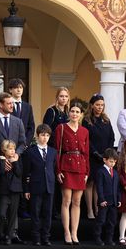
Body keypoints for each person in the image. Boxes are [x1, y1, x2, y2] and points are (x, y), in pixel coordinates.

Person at [0, 92, 26, 245]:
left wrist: (16, 155)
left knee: (13, 204)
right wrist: (0, 158)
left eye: (13, 103)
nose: (12, 105)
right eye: (9, 103)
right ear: (0, 104)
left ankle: (12, 234)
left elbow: (23, 142)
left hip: (15, 168)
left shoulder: (18, 122)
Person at [54, 100, 89, 245]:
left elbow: (86, 153)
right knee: (66, 200)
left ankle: (75, 232)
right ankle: (66, 232)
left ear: (81, 115)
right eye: (72, 111)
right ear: (69, 113)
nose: (74, 114)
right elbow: (57, 151)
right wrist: (58, 170)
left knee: (77, 202)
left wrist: (87, 172)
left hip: (81, 167)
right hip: (66, 166)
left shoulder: (85, 131)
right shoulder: (61, 128)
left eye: (77, 112)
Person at [23, 124, 56, 246]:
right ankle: (36, 238)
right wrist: (26, 189)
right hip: (35, 187)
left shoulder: (53, 152)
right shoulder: (30, 152)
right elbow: (26, 172)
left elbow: (52, 168)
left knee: (47, 213)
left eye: (47, 135)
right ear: (37, 136)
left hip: (49, 186)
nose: (45, 138)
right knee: (35, 213)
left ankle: (46, 237)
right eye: (42, 135)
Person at [82, 93, 115, 219]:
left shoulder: (106, 120)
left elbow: (111, 137)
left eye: (102, 105)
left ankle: (97, 209)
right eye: (97, 105)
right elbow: (87, 139)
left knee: (98, 183)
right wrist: (95, 153)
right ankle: (90, 210)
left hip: (105, 156)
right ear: (92, 105)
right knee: (90, 183)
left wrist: (108, 152)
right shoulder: (87, 120)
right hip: (92, 156)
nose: (100, 107)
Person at [8, 78, 34, 220]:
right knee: (9, 177)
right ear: (10, 89)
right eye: (16, 88)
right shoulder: (7, 104)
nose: (19, 90)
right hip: (8, 148)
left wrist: (25, 144)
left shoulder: (27, 107)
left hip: (23, 149)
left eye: (21, 88)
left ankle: (22, 209)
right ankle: (8, 209)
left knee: (23, 178)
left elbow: (31, 126)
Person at [42, 87, 69, 221]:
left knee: (62, 180)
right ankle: (51, 210)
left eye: (65, 96)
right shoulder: (51, 111)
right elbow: (46, 129)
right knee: (53, 179)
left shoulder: (69, 113)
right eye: (61, 96)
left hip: (66, 151)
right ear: (57, 97)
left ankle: (60, 209)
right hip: (53, 149)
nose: (63, 99)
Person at [0, 140, 22, 245]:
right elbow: (1, 172)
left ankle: (9, 236)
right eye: (10, 149)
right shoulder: (0, 160)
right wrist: (2, 161)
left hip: (15, 191)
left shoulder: (17, 160)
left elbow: (19, 173)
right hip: (4, 191)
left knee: (12, 215)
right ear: (4, 150)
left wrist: (14, 162)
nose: (12, 151)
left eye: (13, 149)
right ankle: (0, 234)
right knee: (1, 214)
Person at [94, 148, 121, 246]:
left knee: (112, 221)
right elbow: (99, 187)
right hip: (104, 201)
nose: (112, 163)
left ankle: (109, 239)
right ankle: (97, 238)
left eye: (114, 161)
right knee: (101, 220)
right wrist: (101, 199)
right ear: (104, 160)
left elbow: (117, 187)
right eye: (110, 161)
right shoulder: (100, 171)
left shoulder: (116, 173)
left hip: (113, 202)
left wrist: (119, 199)